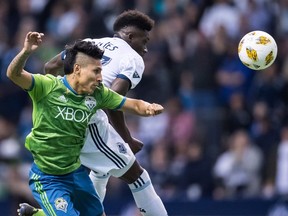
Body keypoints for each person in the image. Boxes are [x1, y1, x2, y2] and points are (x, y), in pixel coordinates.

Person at [18, 10, 168, 216]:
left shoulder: (89, 43)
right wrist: (126, 138)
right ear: (131, 36)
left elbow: (50, 66)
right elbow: (114, 96)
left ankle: (40, 214)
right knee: (138, 177)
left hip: (70, 120)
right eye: (145, 40)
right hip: (89, 119)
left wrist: (59, 104)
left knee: (100, 171)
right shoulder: (133, 58)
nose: (146, 49)